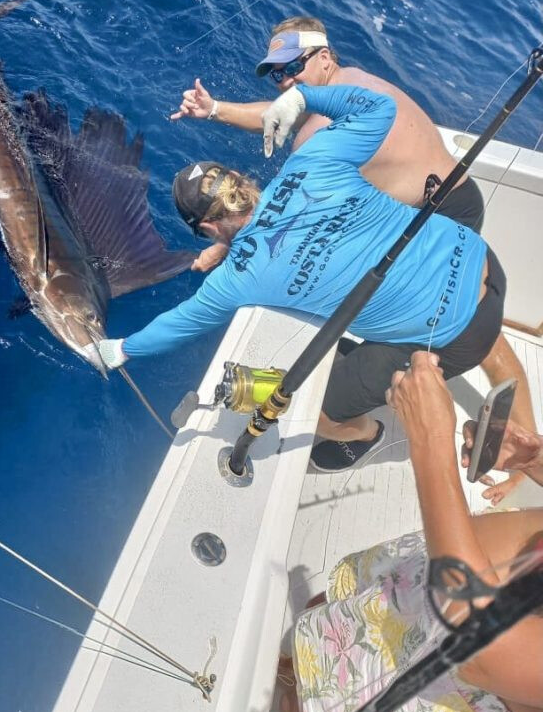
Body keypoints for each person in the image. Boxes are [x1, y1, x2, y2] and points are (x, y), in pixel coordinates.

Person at [171, 16, 535, 500]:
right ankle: (516, 437)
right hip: (453, 203)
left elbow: (297, 208)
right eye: (278, 73)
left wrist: (225, 242)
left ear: (325, 56)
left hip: (436, 216)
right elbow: (287, 115)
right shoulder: (350, 87)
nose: (287, 81)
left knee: (455, 337)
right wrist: (215, 108)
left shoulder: (318, 133)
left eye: (294, 67)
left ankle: (380, 435)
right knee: (467, 327)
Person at [97, 82, 506, 473]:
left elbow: (178, 324)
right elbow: (379, 108)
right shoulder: (311, 160)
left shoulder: (238, 278)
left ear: (207, 227)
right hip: (479, 254)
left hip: (461, 333)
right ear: (238, 179)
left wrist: (119, 350)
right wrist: (302, 96)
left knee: (310, 403)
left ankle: (365, 437)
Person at [260, 351, 543, 712]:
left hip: (449, 690)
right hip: (420, 586)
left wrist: (430, 442)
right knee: (327, 625)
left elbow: (479, 646)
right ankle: (296, 670)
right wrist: (533, 460)